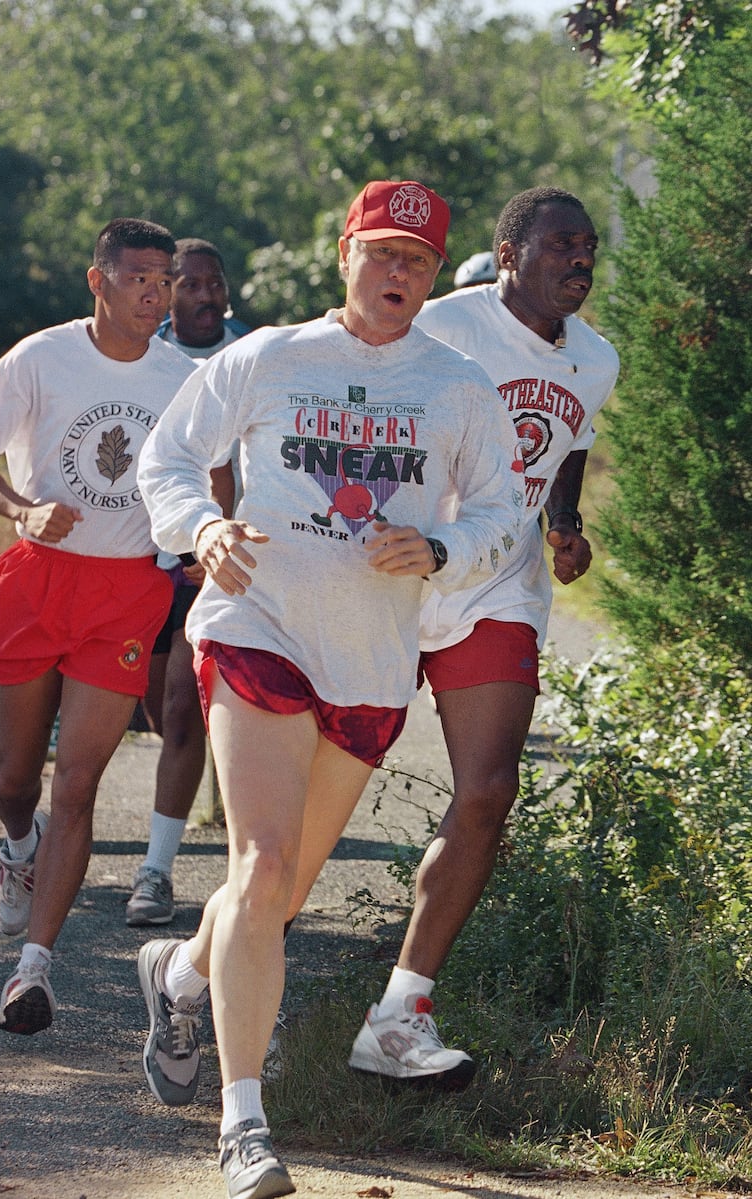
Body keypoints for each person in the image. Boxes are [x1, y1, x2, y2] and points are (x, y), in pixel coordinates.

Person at [135, 179, 524, 1199]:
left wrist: (439, 544)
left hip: (370, 660)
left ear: (433, 277)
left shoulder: (455, 383)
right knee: (260, 865)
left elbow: (501, 507)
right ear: (343, 253)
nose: (397, 273)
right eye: (381, 252)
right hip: (257, 627)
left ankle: (179, 974)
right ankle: (244, 1125)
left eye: (417, 261)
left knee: (282, 894)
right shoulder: (267, 358)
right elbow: (169, 458)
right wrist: (201, 527)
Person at [347, 186, 620, 1087]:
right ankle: (197, 966)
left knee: (489, 789)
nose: (579, 262)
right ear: (509, 255)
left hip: (497, 587)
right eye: (559, 247)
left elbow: (568, 438)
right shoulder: (446, 323)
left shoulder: (596, 359)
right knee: (311, 811)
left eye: (587, 248)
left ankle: (400, 1010)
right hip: (385, 578)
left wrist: (564, 521)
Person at [0, 217, 195, 1036]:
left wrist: (201, 535)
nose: (154, 293)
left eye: (163, 279)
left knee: (78, 785)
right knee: (17, 782)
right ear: (98, 280)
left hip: (127, 591)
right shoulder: (39, 358)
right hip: (38, 580)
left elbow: (208, 473)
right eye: (138, 278)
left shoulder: (179, 378)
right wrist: (23, 511)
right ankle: (16, 847)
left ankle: (32, 973)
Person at [126, 237, 252, 927]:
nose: (206, 295)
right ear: (168, 292)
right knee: (161, 713)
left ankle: (156, 872)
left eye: (216, 282)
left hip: (225, 555)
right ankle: (190, 809)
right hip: (150, 557)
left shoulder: (252, 354)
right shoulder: (150, 358)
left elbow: (238, 465)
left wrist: (219, 533)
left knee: (182, 711)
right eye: (192, 284)